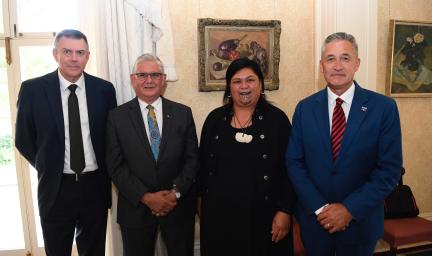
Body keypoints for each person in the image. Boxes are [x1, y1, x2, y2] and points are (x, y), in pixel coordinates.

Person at [285, 32, 402, 256]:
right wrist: (321, 209)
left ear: (357, 63)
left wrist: (349, 209)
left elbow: (389, 170)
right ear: (321, 66)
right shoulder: (304, 109)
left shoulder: (384, 108)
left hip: (360, 223)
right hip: (315, 223)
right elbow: (294, 162)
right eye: (331, 59)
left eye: (345, 58)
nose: (337, 65)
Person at [15, 29, 117, 255]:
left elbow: (111, 138)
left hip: (95, 187)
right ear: (55, 54)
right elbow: (24, 139)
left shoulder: (104, 90)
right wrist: (49, 165)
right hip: (56, 188)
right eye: (67, 51)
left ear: (87, 56)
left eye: (80, 52)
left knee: (93, 250)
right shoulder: (33, 90)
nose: (74, 58)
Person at [198, 57, 295, 256]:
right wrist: (200, 206)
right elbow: (202, 167)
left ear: (260, 84)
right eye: (237, 81)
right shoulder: (214, 120)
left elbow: (291, 170)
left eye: (250, 80)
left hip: (265, 217)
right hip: (220, 218)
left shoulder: (277, 121)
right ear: (229, 87)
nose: (244, 86)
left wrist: (285, 211)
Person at [106, 54, 199, 256]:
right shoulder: (116, 117)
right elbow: (115, 165)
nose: (149, 80)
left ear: (163, 79)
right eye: (142, 75)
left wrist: (175, 194)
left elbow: (192, 159)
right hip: (135, 209)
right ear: (133, 79)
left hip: (177, 207)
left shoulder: (183, 113)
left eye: (155, 75)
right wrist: (146, 197)